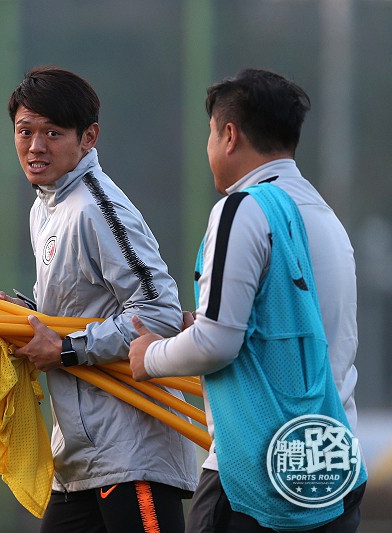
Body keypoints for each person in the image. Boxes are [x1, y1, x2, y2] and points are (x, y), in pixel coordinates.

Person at [128, 68, 368, 532]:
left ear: (230, 135)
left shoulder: (243, 209)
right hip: (332, 466)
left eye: (210, 136)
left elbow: (218, 343)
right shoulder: (326, 217)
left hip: (254, 474)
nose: (209, 150)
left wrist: (149, 356)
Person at [0, 65, 198, 532]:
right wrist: (25, 317)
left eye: (53, 132)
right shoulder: (44, 208)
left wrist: (64, 349)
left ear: (88, 138)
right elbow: (81, 308)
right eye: (25, 131)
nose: (35, 146)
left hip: (132, 453)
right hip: (79, 459)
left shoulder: (96, 207)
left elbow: (159, 312)